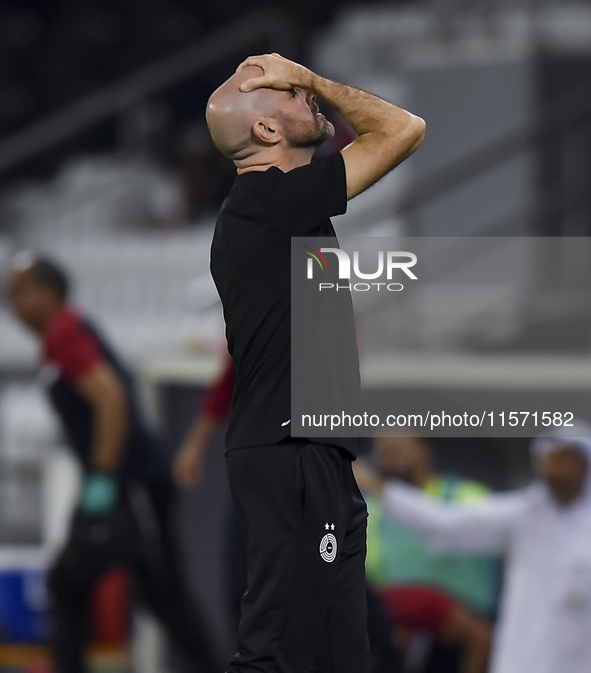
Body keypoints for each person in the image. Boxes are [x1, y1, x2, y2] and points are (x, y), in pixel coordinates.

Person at [205, 52, 425, 673]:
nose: (311, 100)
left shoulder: (281, 210)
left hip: (314, 455)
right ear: (266, 132)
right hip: (290, 454)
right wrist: (316, 79)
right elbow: (403, 130)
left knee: (337, 653)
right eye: (293, 95)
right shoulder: (267, 201)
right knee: (274, 652)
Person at [7, 255, 222, 673]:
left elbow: (110, 399)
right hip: (117, 483)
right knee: (155, 594)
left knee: (80, 586)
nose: (11, 303)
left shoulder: (64, 333)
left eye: (19, 292)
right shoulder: (59, 337)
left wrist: (102, 482)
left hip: (132, 484)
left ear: (49, 293)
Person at [356, 425, 591, 673]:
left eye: (565, 462)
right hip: (516, 661)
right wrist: (378, 487)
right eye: (550, 462)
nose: (555, 471)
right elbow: (444, 524)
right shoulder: (523, 516)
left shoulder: (468, 494)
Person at [360, 436, 493, 673]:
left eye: (395, 450)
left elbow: (445, 526)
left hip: (463, 643)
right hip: (399, 643)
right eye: (382, 452)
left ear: (424, 451)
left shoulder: (467, 495)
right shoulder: (370, 511)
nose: (387, 460)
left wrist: (380, 488)